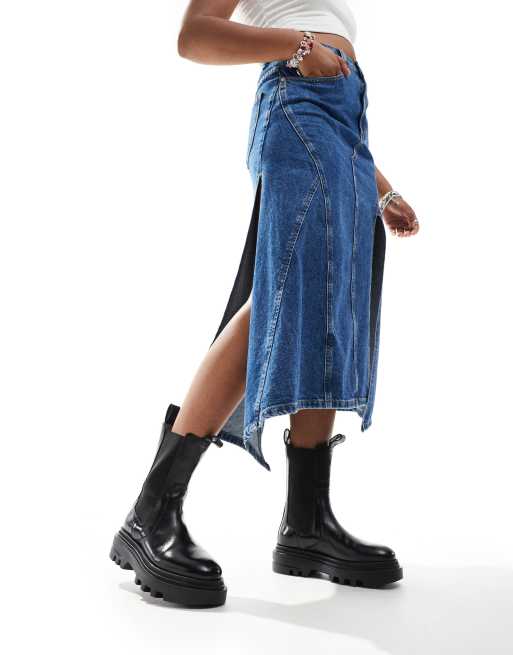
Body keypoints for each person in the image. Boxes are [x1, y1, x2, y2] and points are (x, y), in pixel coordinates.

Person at [110, 0, 419, 608]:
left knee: (328, 312)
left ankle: (307, 525)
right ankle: (150, 513)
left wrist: (382, 189)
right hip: (298, 107)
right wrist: (300, 46)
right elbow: (194, 36)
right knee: (285, 299)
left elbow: (332, 82)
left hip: (342, 124)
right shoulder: (299, 42)